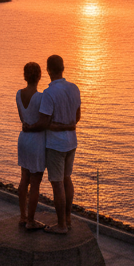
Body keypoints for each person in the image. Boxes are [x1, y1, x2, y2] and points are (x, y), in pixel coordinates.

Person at [25, 54, 81, 234]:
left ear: (48, 70)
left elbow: (43, 122)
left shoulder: (49, 93)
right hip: (72, 141)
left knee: (57, 183)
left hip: (56, 145)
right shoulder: (74, 88)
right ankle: (68, 218)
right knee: (67, 179)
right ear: (63, 68)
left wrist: (30, 127)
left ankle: (62, 225)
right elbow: (77, 117)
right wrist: (67, 125)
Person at [15, 62, 47, 230]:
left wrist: (27, 125)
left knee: (24, 179)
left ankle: (22, 216)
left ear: (25, 76)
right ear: (39, 76)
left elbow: (23, 118)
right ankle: (31, 221)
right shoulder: (41, 98)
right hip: (36, 141)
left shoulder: (18, 94)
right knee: (35, 182)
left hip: (24, 138)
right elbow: (43, 122)